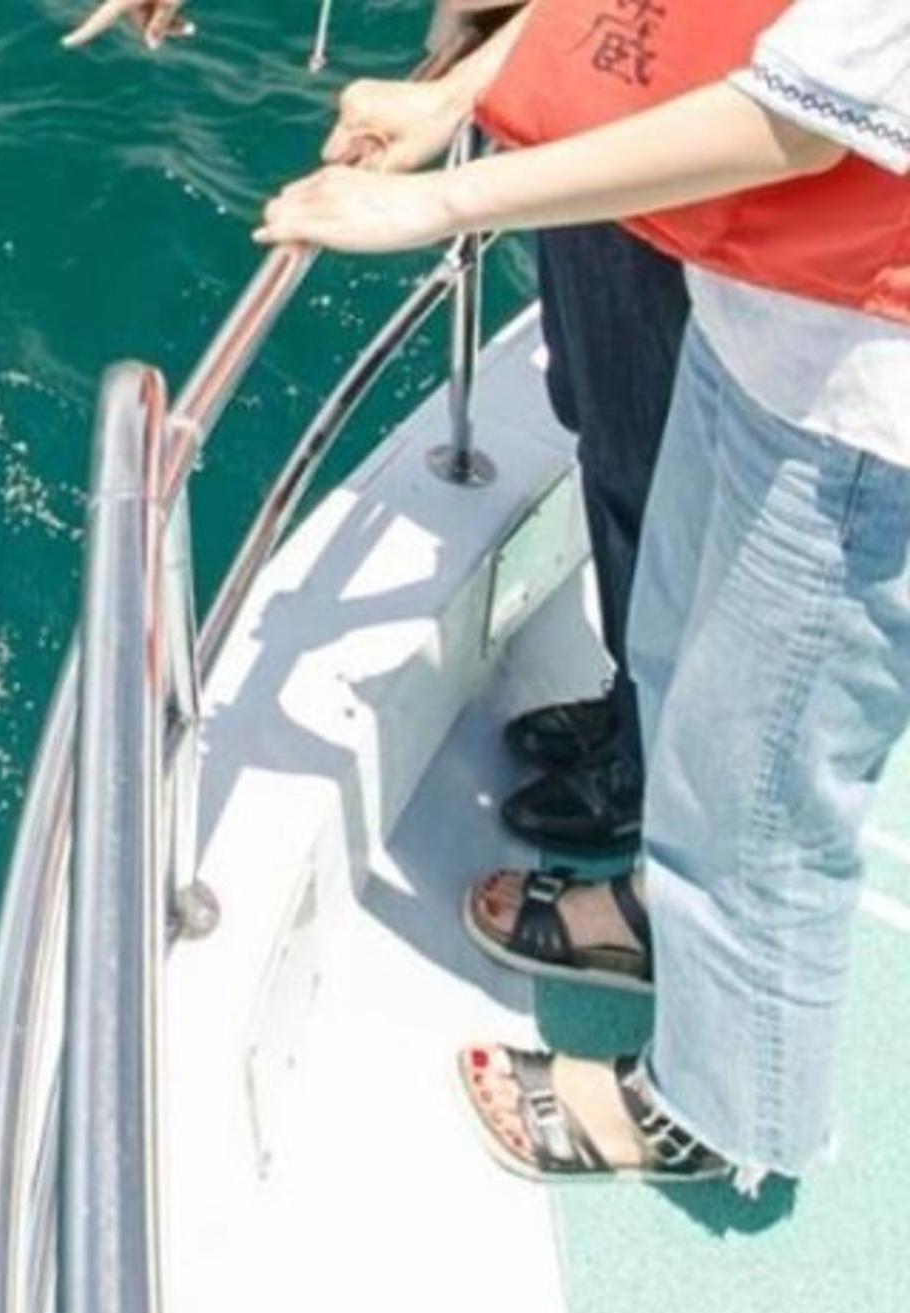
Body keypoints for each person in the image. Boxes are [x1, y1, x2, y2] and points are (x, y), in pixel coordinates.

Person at [260, 0, 910, 1188]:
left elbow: (789, 124)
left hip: (864, 411)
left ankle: (707, 1113)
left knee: (754, 781)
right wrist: (451, 99)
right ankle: (658, 914)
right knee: (673, 671)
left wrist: (439, 200)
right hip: (757, 327)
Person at [75, 0, 684, 862]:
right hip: (599, 105)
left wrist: (447, 168)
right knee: (607, 425)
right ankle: (641, 710)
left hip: (662, 158)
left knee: (655, 460)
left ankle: (659, 767)